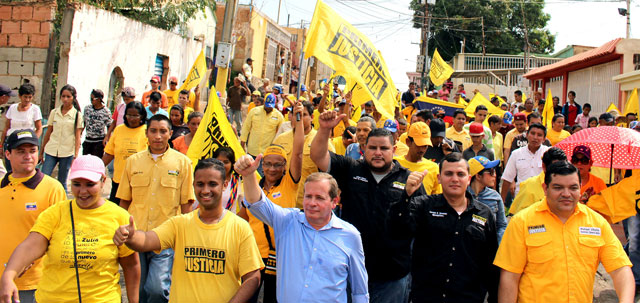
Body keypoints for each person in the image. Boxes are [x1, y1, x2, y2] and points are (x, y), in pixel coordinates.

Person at [113, 158, 262, 302]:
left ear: (224, 185)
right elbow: (146, 240)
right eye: (200, 184)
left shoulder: (239, 227)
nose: (205, 190)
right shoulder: (179, 223)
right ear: (193, 185)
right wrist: (131, 237)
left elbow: (253, 277)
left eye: (212, 184)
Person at [311, 110, 423, 302]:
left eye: (384, 148)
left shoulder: (408, 180)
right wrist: (324, 130)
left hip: (392, 277)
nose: (378, 153)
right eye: (372, 148)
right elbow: (318, 156)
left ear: (394, 149)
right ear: (364, 149)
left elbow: (420, 227)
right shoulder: (351, 169)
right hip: (350, 271)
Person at [0, 155, 140, 303]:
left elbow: (131, 265)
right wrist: (9, 275)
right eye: (77, 184)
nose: (83, 191)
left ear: (103, 181)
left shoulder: (120, 217)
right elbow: (30, 245)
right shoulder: (55, 213)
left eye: (90, 184)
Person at [238, 150, 369, 302]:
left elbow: (360, 291)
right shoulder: (287, 222)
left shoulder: (350, 236)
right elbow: (257, 203)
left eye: (319, 198)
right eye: (308, 196)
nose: (312, 203)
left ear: (335, 201)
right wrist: (248, 175)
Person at [494, 161, 634, 303]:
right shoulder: (522, 222)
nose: (566, 194)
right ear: (545, 188)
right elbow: (510, 277)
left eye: (573, 188)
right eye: (558, 187)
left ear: (580, 188)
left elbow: (620, 270)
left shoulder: (597, 223)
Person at [389, 152, 499, 302]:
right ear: (439, 179)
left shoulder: (485, 214)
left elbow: (491, 264)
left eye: (460, 174)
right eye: (448, 174)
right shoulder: (422, 206)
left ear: (469, 179)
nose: (455, 179)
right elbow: (395, 230)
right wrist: (406, 196)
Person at [116, 114, 195, 303]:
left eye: (163, 131)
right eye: (153, 131)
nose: (158, 136)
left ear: (170, 134)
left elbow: (187, 204)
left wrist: (187, 238)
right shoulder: (133, 162)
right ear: (146, 134)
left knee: (157, 289)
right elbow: (124, 202)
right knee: (139, 291)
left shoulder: (183, 163)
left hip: (165, 239)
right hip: (136, 237)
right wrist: (121, 230)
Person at [0, 129, 66, 303]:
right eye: (21, 151)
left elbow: (60, 236)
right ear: (8, 154)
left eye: (32, 151)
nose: (28, 156)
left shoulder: (53, 189)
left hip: (35, 282)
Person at [273, 101, 335, 207]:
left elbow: (332, 170)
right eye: (295, 113)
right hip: (282, 202)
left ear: (312, 117)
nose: (299, 117)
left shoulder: (322, 140)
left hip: (309, 204)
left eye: (303, 114)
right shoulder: (281, 139)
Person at [102, 101, 148, 205]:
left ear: (142, 116)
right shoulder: (119, 130)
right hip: (119, 180)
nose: (131, 119)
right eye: (129, 115)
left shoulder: (147, 131)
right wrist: (97, 170)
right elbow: (109, 154)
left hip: (139, 182)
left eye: (135, 115)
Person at [40, 85, 84, 191]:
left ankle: (63, 203)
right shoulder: (54, 112)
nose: (65, 99)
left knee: (62, 181)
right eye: (63, 96)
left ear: (73, 97)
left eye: (68, 96)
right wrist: (41, 152)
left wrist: (75, 156)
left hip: (67, 152)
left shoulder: (77, 115)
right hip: (51, 150)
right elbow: (48, 132)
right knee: (43, 177)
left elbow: (78, 137)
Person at [508, 147, 567, 215]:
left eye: (563, 167)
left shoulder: (570, 186)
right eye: (556, 168)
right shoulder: (529, 186)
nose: (560, 171)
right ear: (544, 166)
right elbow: (517, 217)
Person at [501, 123, 550, 202]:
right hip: (521, 199)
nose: (535, 137)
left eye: (539, 135)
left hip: (542, 200)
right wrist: (502, 202)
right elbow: (507, 178)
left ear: (544, 139)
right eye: (532, 133)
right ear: (527, 135)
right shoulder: (516, 153)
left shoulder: (548, 153)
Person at [1, 83, 43, 172]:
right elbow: (7, 128)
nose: (27, 100)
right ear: (20, 96)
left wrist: (34, 141)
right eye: (25, 97)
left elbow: (39, 128)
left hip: (25, 143)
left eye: (30, 97)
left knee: (24, 169)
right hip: (11, 141)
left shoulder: (35, 109)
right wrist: (1, 145)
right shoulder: (12, 108)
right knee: (10, 170)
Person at [240, 94, 284, 175]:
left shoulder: (279, 116)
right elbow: (246, 127)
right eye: (267, 106)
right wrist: (242, 143)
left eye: (271, 107)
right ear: (264, 102)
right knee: (249, 174)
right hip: (252, 150)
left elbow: (281, 134)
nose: (268, 108)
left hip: (266, 153)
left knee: (261, 176)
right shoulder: (254, 111)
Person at [394, 122, 441, 195]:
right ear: (408, 142)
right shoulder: (394, 163)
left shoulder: (434, 168)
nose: (422, 150)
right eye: (418, 145)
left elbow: (437, 199)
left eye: (425, 146)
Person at [467, 156, 507, 242]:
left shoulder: (495, 196)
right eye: (491, 172)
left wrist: (498, 247)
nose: (495, 175)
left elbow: (502, 225)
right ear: (478, 176)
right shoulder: (462, 195)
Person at [209, 147, 244, 214]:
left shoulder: (237, 181)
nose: (222, 165)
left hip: (229, 222)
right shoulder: (207, 179)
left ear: (232, 164)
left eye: (226, 162)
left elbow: (243, 207)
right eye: (218, 162)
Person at [82, 89, 112, 157]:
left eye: (92, 99)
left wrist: (107, 138)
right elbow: (84, 122)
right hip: (88, 140)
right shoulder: (87, 109)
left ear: (98, 99)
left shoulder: (106, 111)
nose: (91, 100)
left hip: (98, 142)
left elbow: (109, 126)